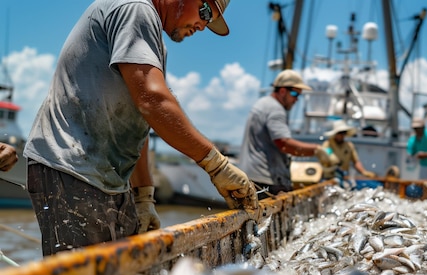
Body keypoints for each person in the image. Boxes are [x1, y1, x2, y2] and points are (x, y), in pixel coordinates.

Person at [24, 0, 258, 256]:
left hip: (107, 178)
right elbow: (152, 100)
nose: (202, 25)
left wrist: (144, 196)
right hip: (70, 167)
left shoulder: (153, 39)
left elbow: (139, 118)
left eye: (209, 21)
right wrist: (216, 165)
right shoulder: (136, 8)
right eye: (205, 12)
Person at [238, 69, 331, 199]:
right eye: (294, 93)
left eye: (299, 95)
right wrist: (317, 150)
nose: (296, 99)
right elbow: (284, 144)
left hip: (250, 179)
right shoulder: (276, 109)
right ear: (282, 91)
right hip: (266, 182)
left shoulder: (262, 104)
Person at [320, 120, 376, 188]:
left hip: (344, 177)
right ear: (335, 134)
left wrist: (364, 172)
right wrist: (332, 158)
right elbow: (327, 152)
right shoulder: (327, 145)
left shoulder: (349, 146)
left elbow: (356, 161)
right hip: (328, 178)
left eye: (344, 133)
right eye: (340, 133)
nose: (342, 135)